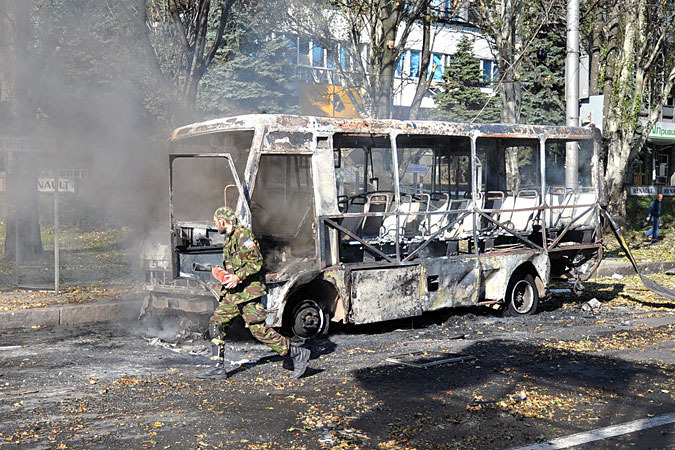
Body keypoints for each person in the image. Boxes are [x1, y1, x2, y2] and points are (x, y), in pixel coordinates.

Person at [197, 206, 310, 380]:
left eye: (215, 222)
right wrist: (223, 273)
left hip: (247, 293)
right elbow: (237, 264)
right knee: (216, 323)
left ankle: (296, 352)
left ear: (222, 221)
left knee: (258, 330)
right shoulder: (230, 238)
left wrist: (237, 277)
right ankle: (217, 368)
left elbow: (255, 262)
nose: (215, 225)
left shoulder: (243, 236)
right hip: (234, 294)